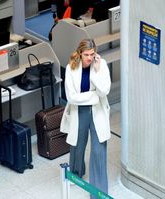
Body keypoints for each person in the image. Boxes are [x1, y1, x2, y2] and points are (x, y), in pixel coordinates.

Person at [60, 39, 111, 198]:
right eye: (87, 54)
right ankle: (76, 173)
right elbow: (71, 97)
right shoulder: (71, 68)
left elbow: (104, 91)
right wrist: (93, 97)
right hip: (79, 111)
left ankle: (99, 191)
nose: (90, 58)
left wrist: (95, 73)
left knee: (98, 150)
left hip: (97, 112)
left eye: (92, 54)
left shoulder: (100, 65)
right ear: (80, 53)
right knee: (78, 144)